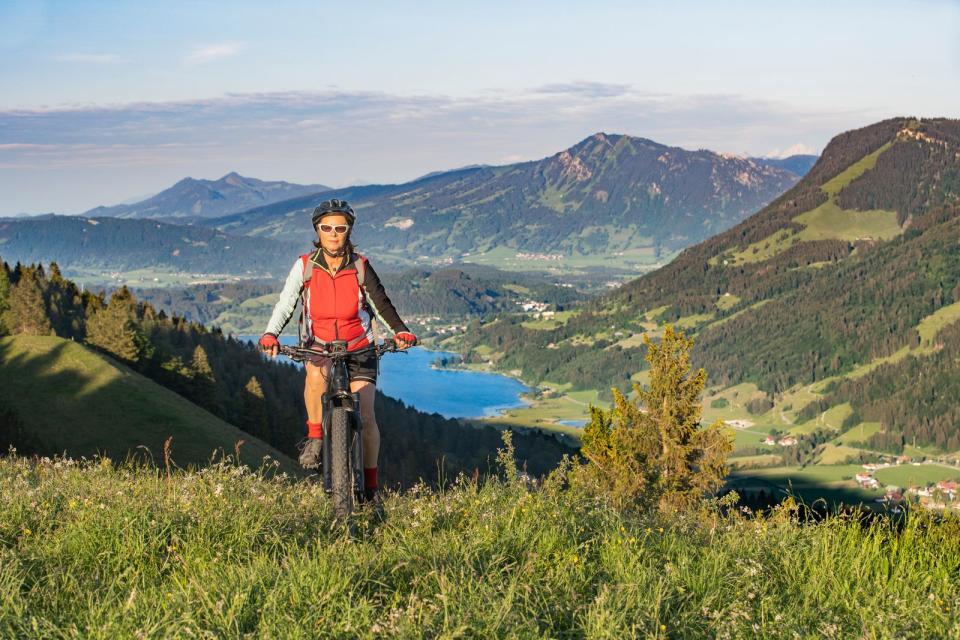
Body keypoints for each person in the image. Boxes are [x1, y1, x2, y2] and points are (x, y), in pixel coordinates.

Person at [258, 198, 417, 507]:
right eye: (326, 227)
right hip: (319, 346)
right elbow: (286, 302)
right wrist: (270, 334)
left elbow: (381, 303)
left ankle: (370, 490)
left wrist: (400, 331)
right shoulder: (305, 266)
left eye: (340, 228)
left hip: (359, 347)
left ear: (349, 231)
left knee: (367, 416)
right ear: (318, 230)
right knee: (315, 377)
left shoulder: (360, 266)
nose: (333, 233)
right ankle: (316, 438)